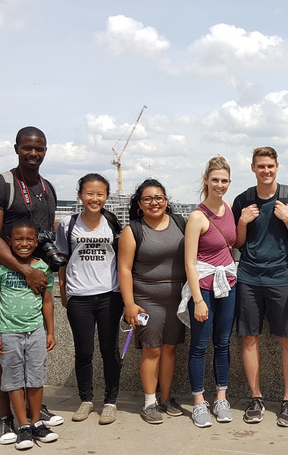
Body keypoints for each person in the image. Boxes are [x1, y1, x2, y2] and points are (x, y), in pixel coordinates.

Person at [0, 126, 63, 444]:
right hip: (6, 280)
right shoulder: (1, 184)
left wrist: (42, 273)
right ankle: (5, 417)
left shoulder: (47, 187)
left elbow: (45, 237)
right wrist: (25, 270)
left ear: (45, 150)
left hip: (36, 284)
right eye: (27, 148)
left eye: (39, 148)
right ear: (16, 148)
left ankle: (31, 412)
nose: (33, 153)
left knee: (34, 351)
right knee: (3, 350)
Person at [232, 147, 288, 426]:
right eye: (260, 166)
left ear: (278, 167)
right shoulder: (243, 199)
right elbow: (238, 244)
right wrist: (242, 222)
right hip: (249, 278)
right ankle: (256, 398)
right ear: (252, 168)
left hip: (282, 278)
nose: (266, 170)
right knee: (249, 338)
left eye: (270, 166)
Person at [0, 218, 58, 450]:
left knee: (36, 378)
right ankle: (23, 425)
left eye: (29, 240)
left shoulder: (43, 268)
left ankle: (36, 422)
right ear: (9, 241)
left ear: (36, 242)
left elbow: (48, 302)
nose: (24, 244)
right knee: (14, 380)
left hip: (35, 331)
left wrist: (50, 331)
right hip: (8, 333)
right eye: (18, 239)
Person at [56, 174, 123, 425]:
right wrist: (64, 291)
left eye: (100, 194)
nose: (94, 199)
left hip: (109, 294)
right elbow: (61, 260)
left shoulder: (113, 223)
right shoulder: (68, 224)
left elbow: (122, 260)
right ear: (80, 195)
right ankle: (85, 399)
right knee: (84, 351)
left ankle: (110, 401)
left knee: (109, 350)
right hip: (79, 295)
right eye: (89, 193)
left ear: (106, 197)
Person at [118, 179, 186, 425]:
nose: (154, 203)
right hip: (147, 298)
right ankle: (149, 402)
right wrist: (129, 304)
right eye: (147, 199)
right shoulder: (133, 230)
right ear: (140, 203)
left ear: (166, 201)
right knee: (152, 349)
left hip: (176, 299)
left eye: (159, 198)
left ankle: (166, 398)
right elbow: (124, 269)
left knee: (169, 348)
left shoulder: (180, 223)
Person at [184, 156, 238, 428]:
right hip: (204, 287)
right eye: (215, 180)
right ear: (205, 180)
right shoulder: (197, 216)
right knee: (199, 346)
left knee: (223, 343)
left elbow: (232, 242)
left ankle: (221, 398)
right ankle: (198, 402)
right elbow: (190, 262)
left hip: (228, 283)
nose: (220, 185)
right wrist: (197, 300)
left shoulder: (228, 207)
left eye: (224, 181)